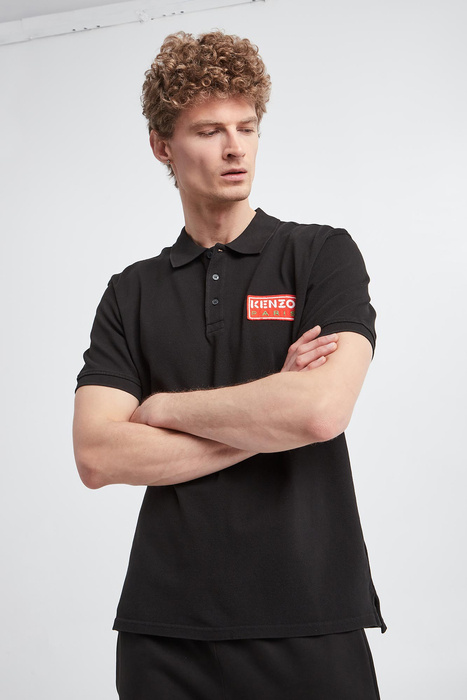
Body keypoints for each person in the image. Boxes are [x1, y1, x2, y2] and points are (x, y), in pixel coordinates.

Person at [73, 30, 385, 700]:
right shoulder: (131, 292)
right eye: (209, 130)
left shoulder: (321, 256)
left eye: (246, 127)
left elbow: (319, 410)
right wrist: (270, 417)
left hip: (311, 616)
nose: (235, 147)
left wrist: (164, 408)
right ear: (162, 145)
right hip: (165, 633)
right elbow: (97, 454)